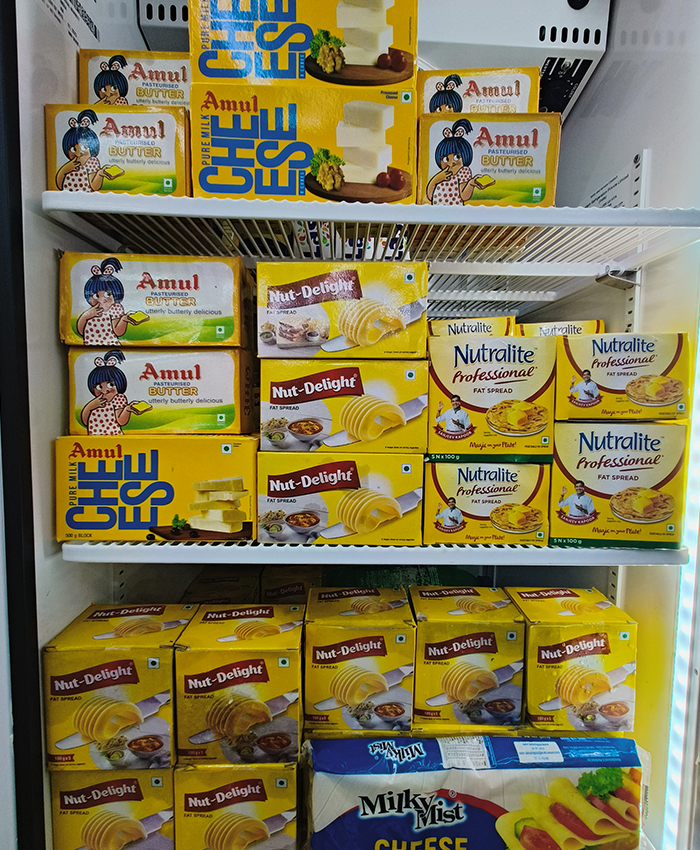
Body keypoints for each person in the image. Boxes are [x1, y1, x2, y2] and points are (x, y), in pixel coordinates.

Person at [425, 118, 490, 205]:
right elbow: (430, 196)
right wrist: (436, 179)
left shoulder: (463, 172)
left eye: (456, 157)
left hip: (457, 211)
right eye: (445, 159)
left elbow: (464, 196)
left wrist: (470, 184)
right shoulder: (441, 175)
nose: (450, 163)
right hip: (436, 211)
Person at [80, 350, 143, 436]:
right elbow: (85, 421)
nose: (104, 391)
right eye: (98, 387)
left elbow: (121, 421)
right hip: (93, 438)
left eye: (110, 385)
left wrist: (126, 410)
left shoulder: (118, 399)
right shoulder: (96, 402)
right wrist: (90, 406)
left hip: (115, 438)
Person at [77, 258, 135, 346]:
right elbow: (81, 331)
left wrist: (123, 320)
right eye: (95, 296)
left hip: (111, 346)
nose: (101, 299)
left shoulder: (115, 308)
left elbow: (118, 332)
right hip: (89, 348)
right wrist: (86, 316)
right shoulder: (91, 311)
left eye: (107, 294)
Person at [55, 110, 110, 192]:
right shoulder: (70, 165)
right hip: (67, 198)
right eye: (73, 149)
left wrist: (99, 174)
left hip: (87, 199)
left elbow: (95, 186)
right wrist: (64, 170)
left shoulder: (92, 162)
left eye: (84, 148)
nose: (78, 154)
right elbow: (59, 186)